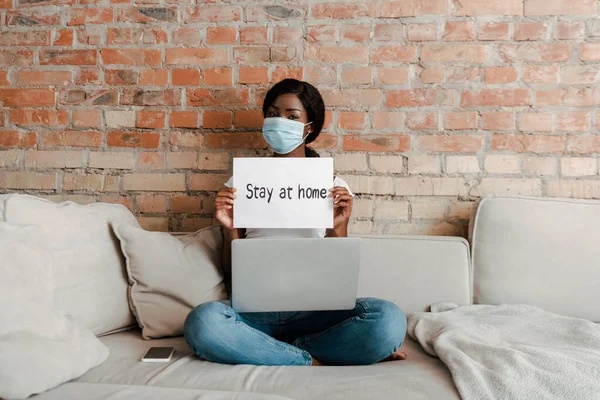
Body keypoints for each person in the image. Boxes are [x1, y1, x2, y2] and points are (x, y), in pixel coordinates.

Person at [184, 79, 407, 366]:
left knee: (387, 320)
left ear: (309, 127)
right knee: (203, 322)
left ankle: (273, 352)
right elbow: (233, 276)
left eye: (292, 116)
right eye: (274, 114)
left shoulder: (332, 185)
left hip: (314, 314)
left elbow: (338, 276)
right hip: (254, 313)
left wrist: (338, 226)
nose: (280, 122)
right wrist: (229, 229)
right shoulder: (241, 183)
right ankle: (308, 359)